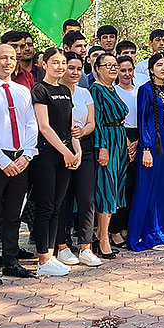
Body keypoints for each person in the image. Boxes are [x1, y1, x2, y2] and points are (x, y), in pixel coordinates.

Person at [0, 44, 38, 283]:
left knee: (13, 214)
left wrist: (27, 155)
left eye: (12, 58)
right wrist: (1, 160)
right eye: (3, 58)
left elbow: (31, 123)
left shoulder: (22, 91)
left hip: (20, 159)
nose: (8, 62)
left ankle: (11, 261)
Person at [30, 48, 80, 277]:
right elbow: (44, 127)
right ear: (44, 64)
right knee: (45, 206)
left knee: (57, 206)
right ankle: (43, 258)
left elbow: (71, 126)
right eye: (55, 62)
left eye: (62, 62)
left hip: (66, 155)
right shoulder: (40, 90)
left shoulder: (65, 90)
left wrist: (76, 151)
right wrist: (65, 152)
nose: (60, 67)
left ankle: (51, 256)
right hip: (47, 155)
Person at [129, 52, 164, 251]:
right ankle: (144, 234)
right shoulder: (145, 90)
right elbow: (143, 121)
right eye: (159, 65)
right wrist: (146, 148)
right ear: (151, 69)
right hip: (152, 147)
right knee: (147, 189)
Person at [55, 53, 102, 268]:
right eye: (70, 67)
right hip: (60, 148)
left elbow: (91, 122)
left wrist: (82, 131)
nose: (75, 72)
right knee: (62, 198)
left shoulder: (84, 92)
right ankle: (62, 246)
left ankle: (86, 247)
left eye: (78, 69)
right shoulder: (54, 92)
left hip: (85, 148)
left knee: (86, 198)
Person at [88, 53, 130, 259]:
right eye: (108, 65)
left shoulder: (112, 88)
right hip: (107, 142)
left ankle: (101, 234)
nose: (113, 69)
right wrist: (101, 147)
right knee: (107, 190)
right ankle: (103, 238)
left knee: (117, 189)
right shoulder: (96, 89)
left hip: (119, 141)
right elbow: (97, 121)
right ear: (97, 68)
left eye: (115, 65)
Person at [111, 56, 141, 249]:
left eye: (130, 70)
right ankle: (115, 229)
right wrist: (127, 141)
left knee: (134, 187)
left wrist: (138, 141)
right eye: (123, 70)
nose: (127, 74)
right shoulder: (113, 91)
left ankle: (128, 227)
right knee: (120, 187)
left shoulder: (140, 91)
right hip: (119, 137)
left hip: (139, 138)